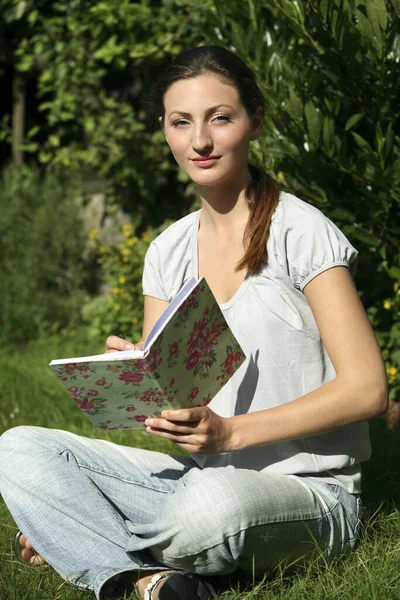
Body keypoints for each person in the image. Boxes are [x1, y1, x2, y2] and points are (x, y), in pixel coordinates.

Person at [0, 45, 388, 600]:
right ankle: (146, 582)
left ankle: (80, 533)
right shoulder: (166, 251)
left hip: (308, 495)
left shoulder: (302, 234)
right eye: (181, 122)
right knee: (19, 447)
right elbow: (178, 413)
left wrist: (231, 434)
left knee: (210, 509)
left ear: (255, 121)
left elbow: (369, 389)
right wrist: (138, 376)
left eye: (219, 118)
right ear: (164, 129)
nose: (199, 141)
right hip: (200, 480)